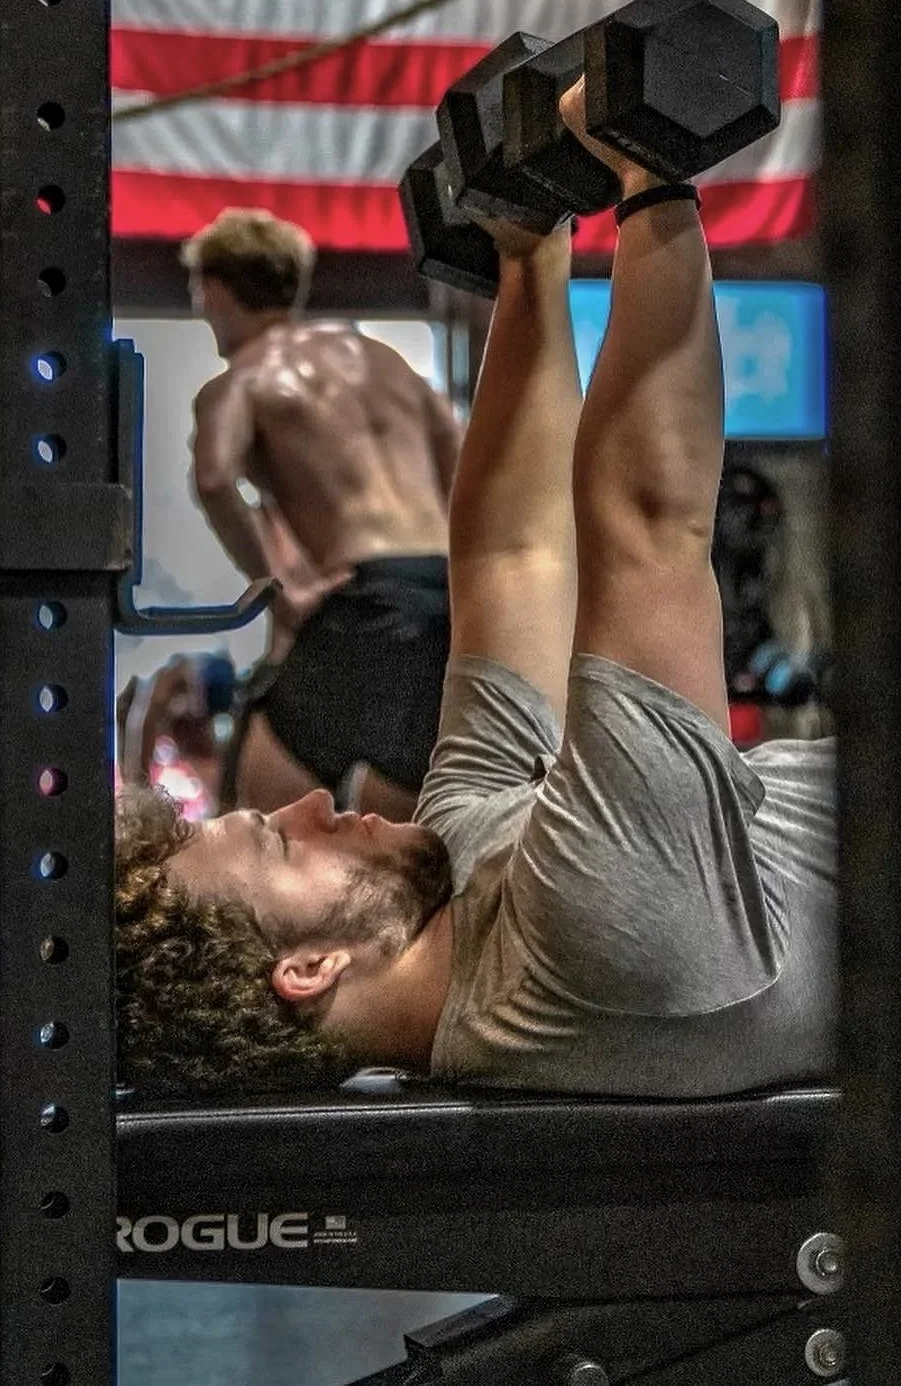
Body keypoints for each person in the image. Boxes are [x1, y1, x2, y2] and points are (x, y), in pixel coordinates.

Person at [116, 88, 837, 1098]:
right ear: (309, 968)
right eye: (283, 838)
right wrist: (648, 173)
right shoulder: (590, 932)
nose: (321, 802)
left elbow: (510, 558)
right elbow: (646, 529)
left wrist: (527, 249)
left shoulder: (456, 862)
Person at [183, 208, 462, 821]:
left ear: (218, 289)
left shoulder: (243, 379)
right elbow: (465, 468)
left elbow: (212, 477)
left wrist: (277, 591)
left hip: (363, 597)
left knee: (255, 817)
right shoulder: (387, 365)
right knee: (401, 834)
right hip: (448, 600)